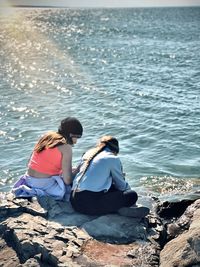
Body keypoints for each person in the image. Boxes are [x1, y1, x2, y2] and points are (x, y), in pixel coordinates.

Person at [70, 135, 149, 217]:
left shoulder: (88, 153)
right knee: (132, 195)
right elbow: (122, 186)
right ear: (115, 150)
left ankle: (114, 208)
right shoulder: (112, 158)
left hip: (74, 200)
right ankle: (118, 209)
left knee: (111, 188)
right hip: (89, 206)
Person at [12, 117, 83, 200]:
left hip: (29, 180)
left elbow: (34, 162)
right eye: (77, 137)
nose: (76, 141)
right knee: (73, 184)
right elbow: (68, 180)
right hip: (44, 185)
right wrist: (78, 170)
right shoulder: (66, 147)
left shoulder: (47, 136)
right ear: (70, 134)